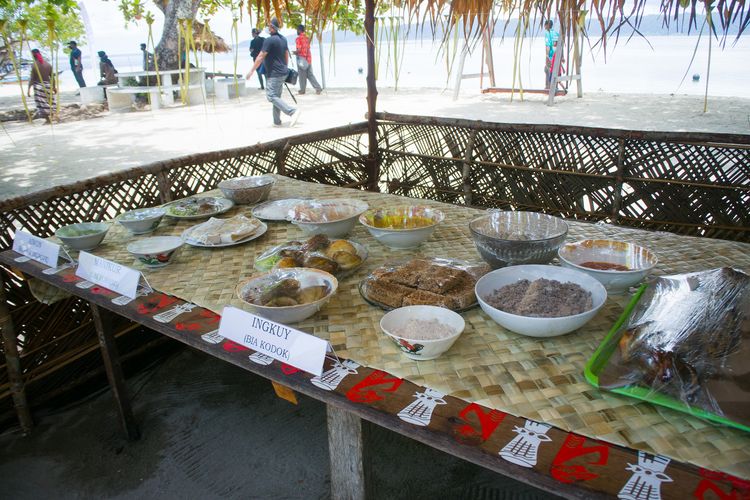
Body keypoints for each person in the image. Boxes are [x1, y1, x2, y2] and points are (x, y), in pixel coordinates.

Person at [246, 17, 300, 127]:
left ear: (273, 27)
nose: (268, 27)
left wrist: (251, 71)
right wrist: (285, 67)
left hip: (274, 74)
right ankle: (277, 121)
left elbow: (260, 56)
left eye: (269, 26)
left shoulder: (269, 40)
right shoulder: (283, 39)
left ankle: (292, 111)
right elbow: (286, 55)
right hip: (283, 72)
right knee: (277, 97)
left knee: (271, 96)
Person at [27, 49, 56, 123]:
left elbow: (32, 78)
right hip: (48, 86)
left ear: (33, 55)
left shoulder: (34, 65)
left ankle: (48, 120)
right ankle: (52, 117)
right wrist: (54, 87)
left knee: (42, 105)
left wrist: (28, 89)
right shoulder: (48, 64)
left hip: (39, 87)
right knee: (50, 102)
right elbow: (52, 77)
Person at [293, 24, 322, 95]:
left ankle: (302, 90)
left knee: (302, 75)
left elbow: (299, 49)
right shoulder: (307, 38)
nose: (296, 31)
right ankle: (318, 88)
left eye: (297, 30)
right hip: (308, 58)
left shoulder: (298, 39)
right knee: (310, 75)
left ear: (299, 30)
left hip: (302, 59)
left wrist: (294, 52)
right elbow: (307, 48)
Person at [543, 20, 559, 89]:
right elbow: (560, 45)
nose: (544, 27)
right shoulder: (556, 33)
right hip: (557, 56)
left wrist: (547, 56)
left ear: (547, 25)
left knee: (547, 70)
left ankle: (548, 87)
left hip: (551, 56)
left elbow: (548, 46)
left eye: (545, 25)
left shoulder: (547, 33)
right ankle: (556, 87)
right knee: (555, 71)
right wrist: (562, 57)